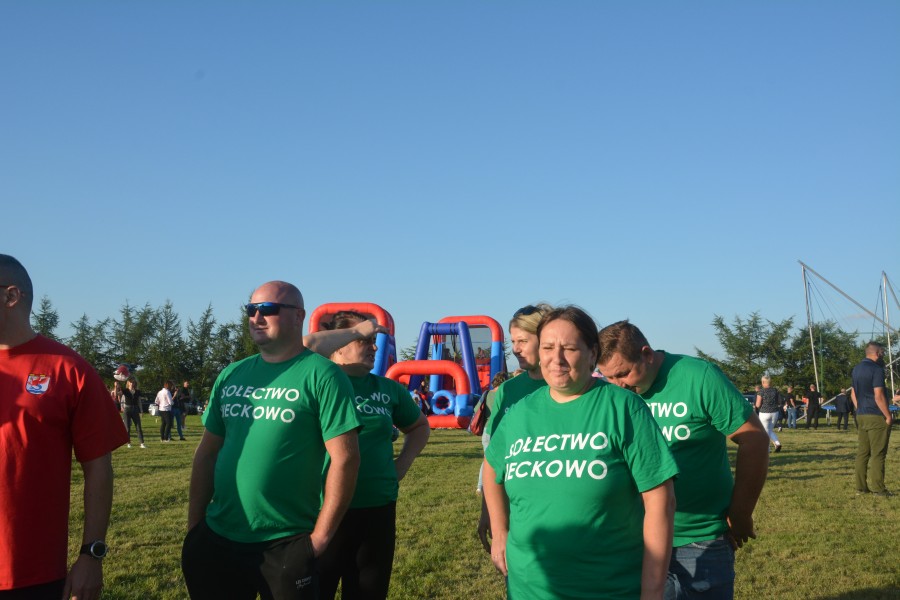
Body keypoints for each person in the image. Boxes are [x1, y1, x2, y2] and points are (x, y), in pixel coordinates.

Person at [181, 281, 362, 599]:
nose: (257, 317)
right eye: (251, 310)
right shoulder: (232, 374)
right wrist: (195, 527)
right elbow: (207, 453)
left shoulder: (323, 375)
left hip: (286, 541)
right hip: (218, 536)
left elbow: (345, 459)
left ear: (298, 316)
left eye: (268, 309)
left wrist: (320, 538)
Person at [484, 306, 678, 599]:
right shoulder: (520, 413)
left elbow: (661, 501)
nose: (556, 358)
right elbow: (491, 467)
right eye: (548, 347)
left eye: (570, 348)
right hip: (528, 588)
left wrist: (652, 591)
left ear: (592, 354)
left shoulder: (623, 408)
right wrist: (500, 532)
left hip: (607, 588)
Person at [597, 320, 770, 600]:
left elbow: (754, 439)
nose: (618, 385)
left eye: (623, 374)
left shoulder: (698, 377)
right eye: (608, 377)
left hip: (699, 539)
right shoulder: (612, 396)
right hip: (636, 541)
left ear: (646, 354)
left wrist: (740, 513)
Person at [0, 254, 128, 599]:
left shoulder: (70, 370)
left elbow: (98, 469)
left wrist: (91, 555)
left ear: (11, 296)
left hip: (30, 572)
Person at [315, 311, 430, 600]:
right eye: (364, 340)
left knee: (368, 592)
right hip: (320, 509)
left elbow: (419, 427)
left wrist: (401, 465)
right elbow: (305, 346)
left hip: (377, 507)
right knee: (315, 591)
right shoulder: (316, 381)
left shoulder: (387, 389)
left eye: (373, 341)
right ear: (338, 344)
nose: (374, 347)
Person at [477, 303, 552, 553]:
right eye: (513, 342)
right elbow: (494, 457)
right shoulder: (508, 390)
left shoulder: (565, 387)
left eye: (522, 341)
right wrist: (488, 511)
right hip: (518, 511)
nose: (515, 349)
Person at [850, 342, 893, 496]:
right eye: (882, 353)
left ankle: (861, 487)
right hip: (876, 415)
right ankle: (878, 489)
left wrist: (860, 408)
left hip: (861, 414)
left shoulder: (856, 369)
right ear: (877, 353)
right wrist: (887, 415)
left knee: (863, 453)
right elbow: (878, 395)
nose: (883, 355)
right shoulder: (876, 369)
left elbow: (853, 394)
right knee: (878, 454)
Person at [476, 370, 510, 494]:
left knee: (487, 459)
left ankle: (480, 486)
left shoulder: (487, 394)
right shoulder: (504, 394)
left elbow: (476, 409)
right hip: (498, 430)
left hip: (486, 429)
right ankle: (499, 485)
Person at [755, 376, 783, 452]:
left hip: (764, 413)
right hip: (774, 412)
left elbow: (758, 404)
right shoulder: (775, 390)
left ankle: (767, 449)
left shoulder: (761, 391)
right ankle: (777, 443)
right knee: (770, 430)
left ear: (763, 382)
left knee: (765, 431)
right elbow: (779, 401)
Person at [121, 377, 146, 448]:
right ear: (128, 383)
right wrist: (116, 387)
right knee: (127, 428)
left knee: (138, 427)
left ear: (135, 383)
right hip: (127, 410)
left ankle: (142, 443)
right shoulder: (125, 391)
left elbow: (139, 401)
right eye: (131, 382)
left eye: (133, 382)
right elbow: (117, 394)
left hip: (135, 409)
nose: (132, 383)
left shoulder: (137, 391)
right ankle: (128, 443)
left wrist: (141, 411)